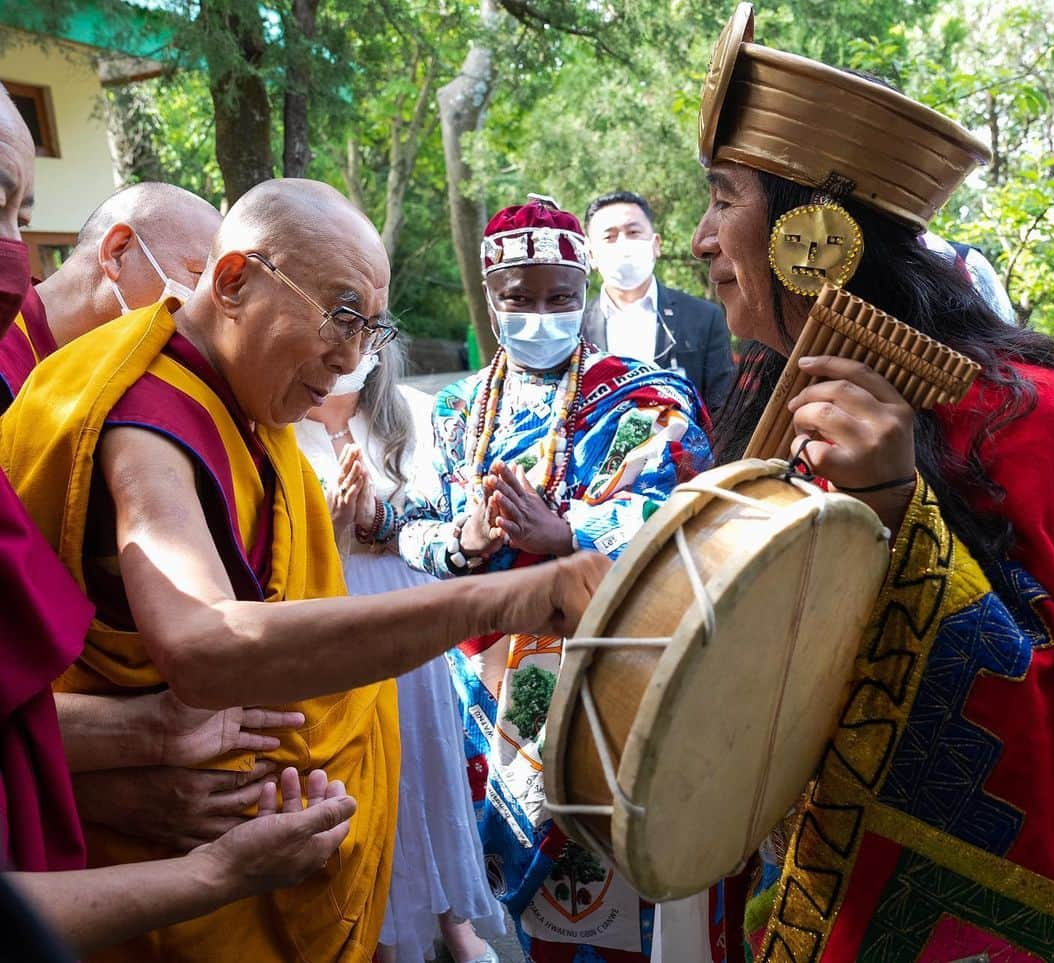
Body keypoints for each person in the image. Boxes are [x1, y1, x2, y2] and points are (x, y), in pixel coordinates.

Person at [0, 177, 608, 962]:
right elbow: (203, 644)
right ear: (233, 281)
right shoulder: (147, 421)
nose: (352, 357)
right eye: (341, 314)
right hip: (173, 871)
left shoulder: (246, 406)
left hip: (273, 841)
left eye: (371, 329)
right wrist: (492, 598)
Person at [693, 5, 1054, 960]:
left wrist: (899, 510)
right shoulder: (758, 402)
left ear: (811, 234)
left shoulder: (1030, 418)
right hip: (786, 895)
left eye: (721, 197)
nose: (698, 239)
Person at [0, 85, 359, 959]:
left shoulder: (217, 410)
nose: (197, 310)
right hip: (103, 866)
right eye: (199, 279)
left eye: (21, 210)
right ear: (120, 253)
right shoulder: (70, 402)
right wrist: (131, 764)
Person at [374, 197, 711, 961]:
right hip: (479, 697)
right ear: (490, 300)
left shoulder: (644, 394)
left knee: (607, 897)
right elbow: (409, 526)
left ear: (584, 292)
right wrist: (463, 540)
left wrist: (568, 535)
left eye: (559, 297)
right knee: (512, 924)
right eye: (517, 299)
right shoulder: (454, 411)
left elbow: (681, 515)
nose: (539, 314)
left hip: (603, 681)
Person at [296, 340, 503, 963]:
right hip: (331, 610)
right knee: (360, 770)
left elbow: (442, 520)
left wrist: (378, 518)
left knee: (424, 758)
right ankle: (378, 928)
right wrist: (332, 524)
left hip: (407, 606)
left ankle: (452, 920)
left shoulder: (410, 413)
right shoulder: (277, 423)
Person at [0, 181, 221, 410]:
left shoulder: (119, 377)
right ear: (117, 252)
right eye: (198, 275)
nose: (207, 303)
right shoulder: (6, 346)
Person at [582, 190, 736, 410]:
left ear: (656, 244)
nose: (623, 245)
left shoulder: (703, 318)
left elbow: (722, 408)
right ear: (590, 255)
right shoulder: (576, 327)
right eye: (609, 236)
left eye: (633, 232)